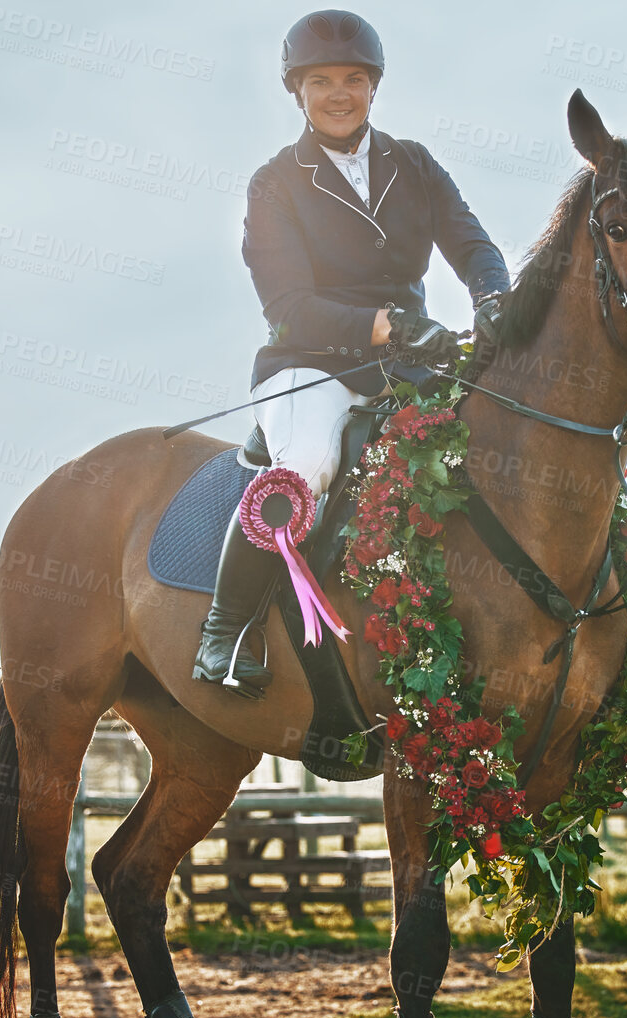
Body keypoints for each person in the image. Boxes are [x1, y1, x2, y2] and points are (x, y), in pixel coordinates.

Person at [193, 9, 510, 698]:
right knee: (308, 464)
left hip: (410, 365)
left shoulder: (414, 164)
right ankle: (227, 627)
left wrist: (490, 297)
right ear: (296, 92)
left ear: (374, 86)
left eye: (354, 79)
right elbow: (289, 306)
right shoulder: (274, 183)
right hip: (309, 365)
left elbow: (473, 245)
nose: (339, 93)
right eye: (322, 81)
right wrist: (387, 326)